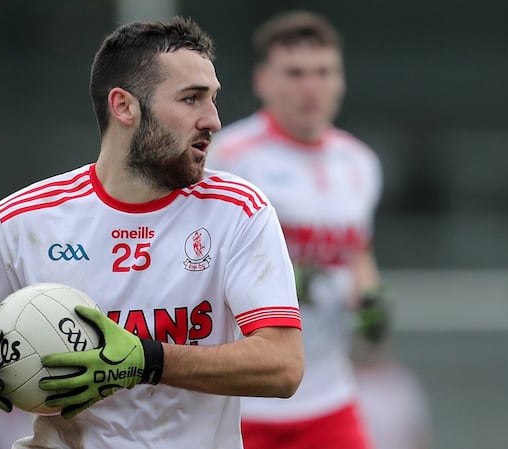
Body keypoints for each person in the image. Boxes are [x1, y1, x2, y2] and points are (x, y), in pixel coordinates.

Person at [0, 16, 304, 449]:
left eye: (213, 99)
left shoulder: (238, 211)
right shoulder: (25, 219)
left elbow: (282, 366)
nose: (213, 120)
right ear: (124, 106)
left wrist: (145, 361)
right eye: (191, 99)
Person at [207, 10, 389, 449]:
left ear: (341, 80)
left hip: (328, 394)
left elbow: (356, 253)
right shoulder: (228, 157)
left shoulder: (360, 163)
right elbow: (193, 260)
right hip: (244, 398)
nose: (311, 87)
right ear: (262, 81)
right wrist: (278, 280)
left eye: (324, 72)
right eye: (295, 73)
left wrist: (371, 301)